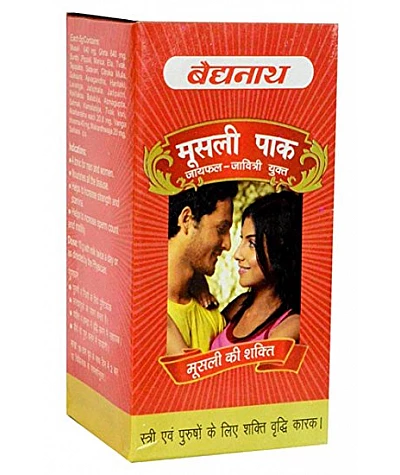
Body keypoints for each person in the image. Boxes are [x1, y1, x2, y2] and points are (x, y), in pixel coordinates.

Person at [211, 191, 302, 350]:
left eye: (252, 244)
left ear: (280, 249)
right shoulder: (239, 306)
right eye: (242, 240)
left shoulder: (290, 325)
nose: (237, 254)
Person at [167, 181, 238, 354]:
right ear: (187, 220)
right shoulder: (135, 311)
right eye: (221, 229)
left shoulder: (213, 320)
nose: (228, 245)